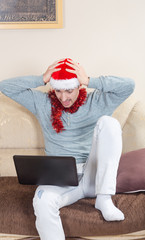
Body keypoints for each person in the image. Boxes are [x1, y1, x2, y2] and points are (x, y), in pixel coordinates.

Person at [0, 58, 135, 240]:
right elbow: (5, 86)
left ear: (79, 86)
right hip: (60, 179)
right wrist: (41, 78)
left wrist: (90, 80)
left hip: (93, 174)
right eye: (58, 91)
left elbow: (129, 85)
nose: (63, 98)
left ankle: (104, 199)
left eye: (69, 90)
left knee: (109, 123)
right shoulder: (42, 103)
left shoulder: (97, 101)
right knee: (42, 201)